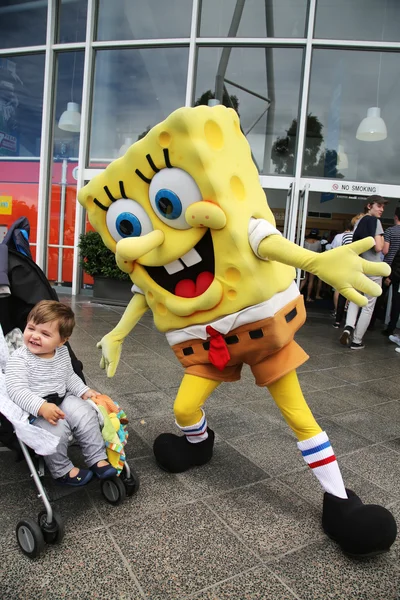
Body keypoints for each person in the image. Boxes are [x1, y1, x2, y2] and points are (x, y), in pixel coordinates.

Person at [5, 300, 117, 486]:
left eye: (45, 333)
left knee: (86, 414)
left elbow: (69, 377)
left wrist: (84, 391)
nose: (34, 336)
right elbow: (16, 389)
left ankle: (96, 457)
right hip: (35, 408)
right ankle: (62, 469)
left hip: (61, 397)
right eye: (31, 328)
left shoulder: (62, 353)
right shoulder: (20, 358)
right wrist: (41, 407)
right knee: (56, 430)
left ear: (62, 340)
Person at [339, 196, 387, 349]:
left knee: (355, 299)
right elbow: (379, 248)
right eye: (378, 206)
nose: (381, 209)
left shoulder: (359, 221)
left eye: (383, 207)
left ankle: (348, 327)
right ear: (369, 206)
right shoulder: (375, 222)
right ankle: (357, 340)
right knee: (368, 305)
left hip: (359, 267)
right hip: (373, 268)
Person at [381, 206, 400, 339]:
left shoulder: (390, 231)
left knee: (380, 295)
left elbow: (385, 251)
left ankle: (372, 323)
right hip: (397, 270)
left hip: (389, 267)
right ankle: (392, 326)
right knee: (395, 300)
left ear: (395, 216)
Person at [332, 221, 354, 328]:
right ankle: (347, 312)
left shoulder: (339, 237)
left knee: (339, 290)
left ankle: (337, 313)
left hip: (339, 264)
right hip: (352, 267)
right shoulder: (356, 236)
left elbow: (333, 249)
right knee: (350, 291)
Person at [299, 228, 323, 302]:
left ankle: (297, 292)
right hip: (313, 262)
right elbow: (320, 252)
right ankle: (308, 297)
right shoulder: (318, 242)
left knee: (304, 279)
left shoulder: (305, 242)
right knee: (311, 280)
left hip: (305, 261)